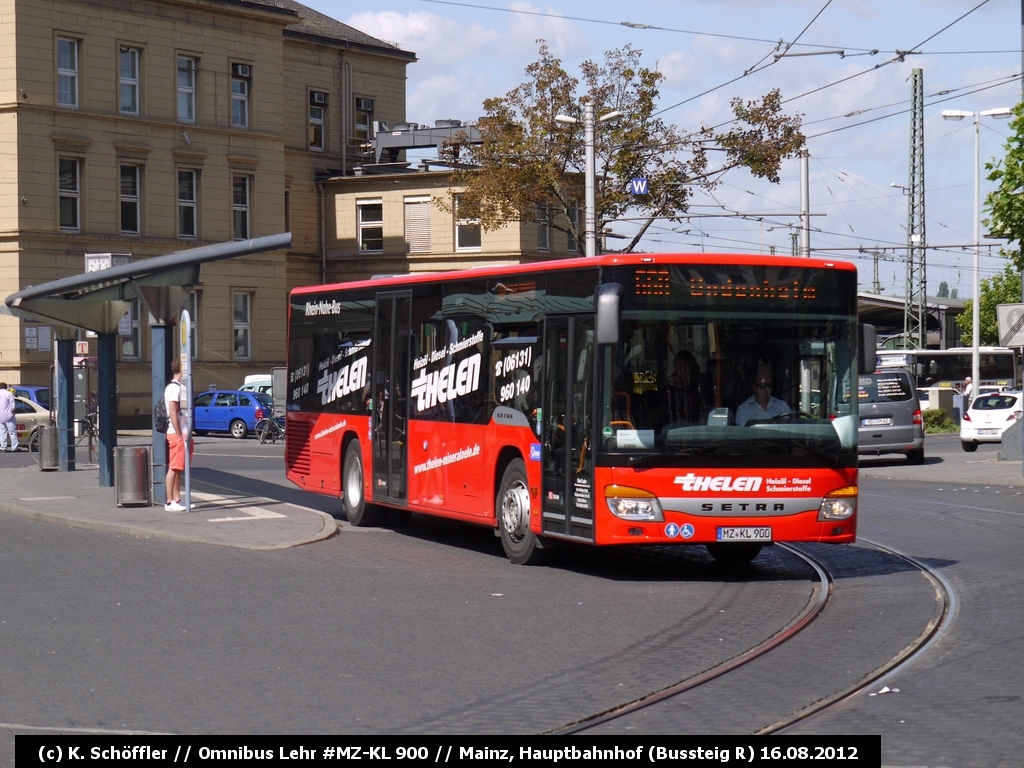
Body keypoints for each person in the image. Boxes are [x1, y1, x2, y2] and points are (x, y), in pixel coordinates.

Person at [164, 359, 193, 512]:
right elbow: (174, 413)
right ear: (182, 370)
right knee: (174, 467)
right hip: (177, 433)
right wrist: (180, 434)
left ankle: (177, 499)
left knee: (178, 467)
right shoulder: (174, 389)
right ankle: (169, 502)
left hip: (180, 432)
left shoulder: (174, 387)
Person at [665, 351, 706, 427]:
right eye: (678, 366)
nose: (680, 370)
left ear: (691, 367)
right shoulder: (671, 390)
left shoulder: (700, 387)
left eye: (683, 366)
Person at [0, 382, 18, 452]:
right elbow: (13, 406)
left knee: (2, 432)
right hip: (8, 416)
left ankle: (3, 447)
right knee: (12, 432)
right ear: (6, 387)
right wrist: (13, 413)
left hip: (0, 417)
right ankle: (14, 447)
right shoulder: (9, 394)